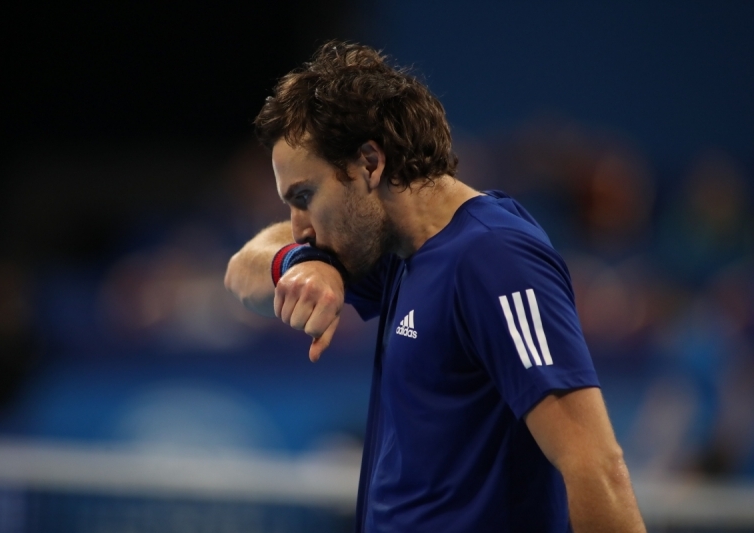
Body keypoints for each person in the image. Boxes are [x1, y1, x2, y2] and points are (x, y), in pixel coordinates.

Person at [224, 41, 646, 533]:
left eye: (304, 196)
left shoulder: (496, 259)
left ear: (370, 163)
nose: (299, 227)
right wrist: (303, 263)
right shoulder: (398, 253)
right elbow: (241, 273)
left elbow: (596, 467)